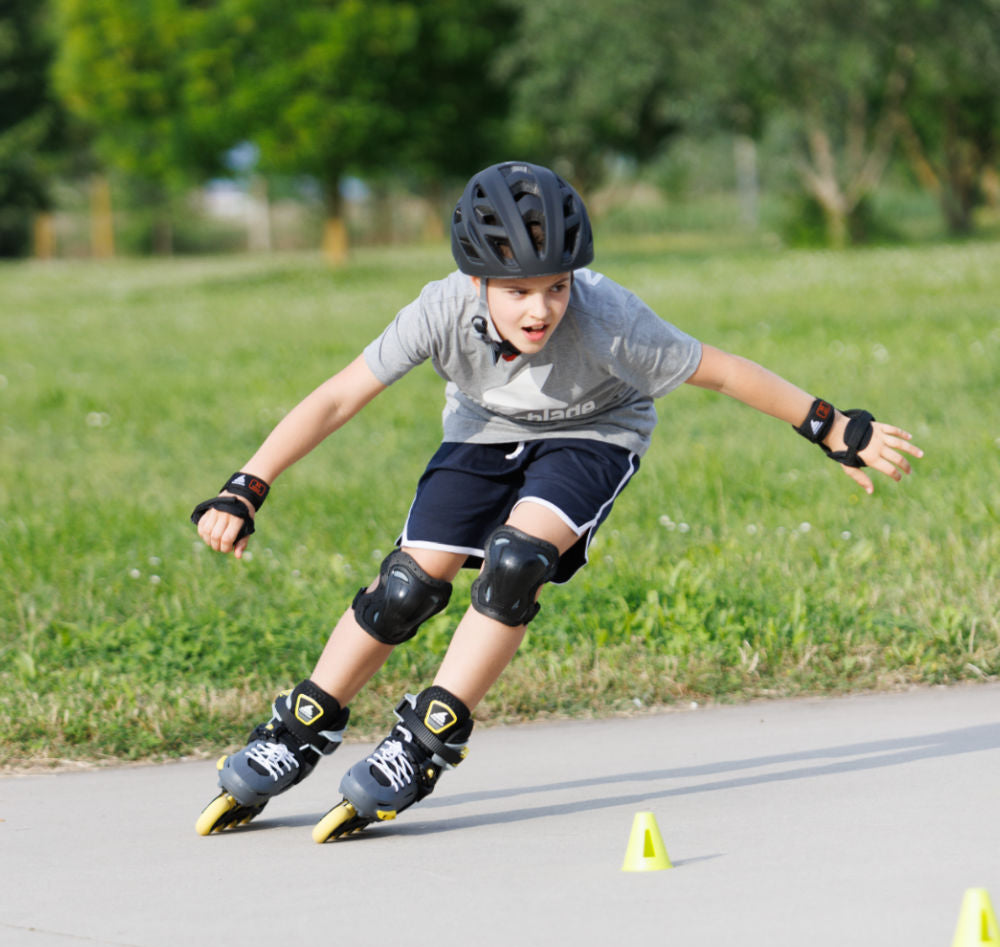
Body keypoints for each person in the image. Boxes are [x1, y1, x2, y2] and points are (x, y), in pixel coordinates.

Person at [191, 160, 922, 840]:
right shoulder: (439, 309)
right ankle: (300, 728)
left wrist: (829, 426)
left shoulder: (609, 318)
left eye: (556, 285)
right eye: (517, 292)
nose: (540, 309)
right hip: (481, 435)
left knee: (517, 560)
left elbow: (725, 372)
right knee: (408, 584)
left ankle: (425, 741)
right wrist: (248, 485)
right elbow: (339, 396)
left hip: (596, 433)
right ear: (475, 280)